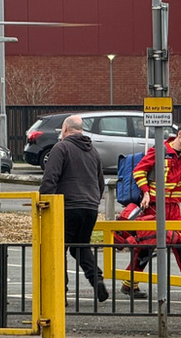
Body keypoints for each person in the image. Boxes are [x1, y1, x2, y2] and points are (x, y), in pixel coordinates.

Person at [121, 121, 181, 301]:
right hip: (155, 208)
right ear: (180, 134)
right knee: (148, 247)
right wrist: (146, 193)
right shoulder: (159, 151)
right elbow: (139, 171)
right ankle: (130, 284)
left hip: (173, 208)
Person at [39, 115, 110, 303]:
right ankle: (97, 280)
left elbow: (50, 178)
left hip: (68, 206)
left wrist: (43, 203)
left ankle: (59, 293)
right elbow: (100, 182)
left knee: (59, 248)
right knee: (81, 247)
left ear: (64, 130)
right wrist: (94, 200)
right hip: (90, 207)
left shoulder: (61, 148)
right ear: (81, 130)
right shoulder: (93, 151)